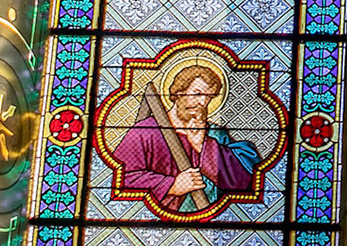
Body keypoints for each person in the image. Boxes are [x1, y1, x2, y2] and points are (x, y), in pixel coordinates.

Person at [109, 62, 258, 216]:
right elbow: (120, 179)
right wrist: (171, 185)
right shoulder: (145, 132)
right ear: (179, 92)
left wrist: (203, 145)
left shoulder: (215, 134)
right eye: (197, 93)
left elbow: (245, 180)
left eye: (208, 97)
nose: (202, 103)